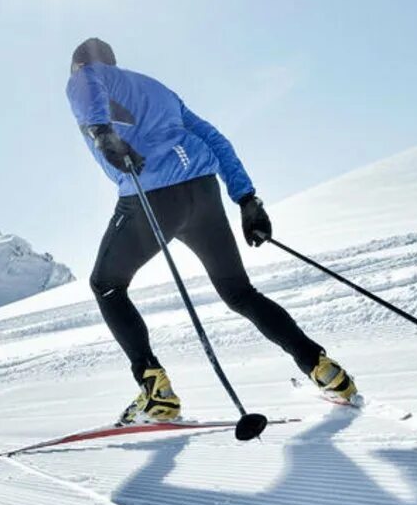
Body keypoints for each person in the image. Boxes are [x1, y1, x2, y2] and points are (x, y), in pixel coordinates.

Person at [66, 37, 356, 424]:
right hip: (203, 191)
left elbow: (88, 86)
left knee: (107, 285)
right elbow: (214, 138)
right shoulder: (159, 90)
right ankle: (322, 368)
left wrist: (102, 133)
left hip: (151, 193)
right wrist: (247, 198)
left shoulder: (87, 77)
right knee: (239, 292)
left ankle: (156, 391)